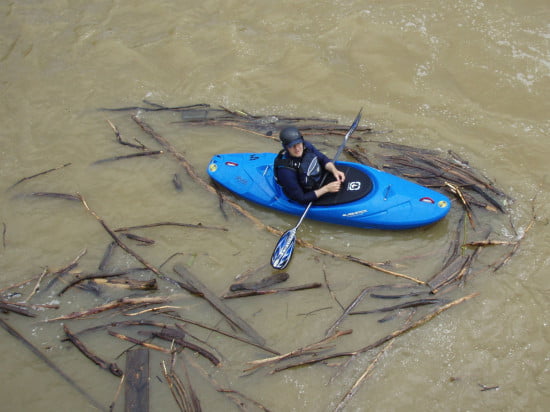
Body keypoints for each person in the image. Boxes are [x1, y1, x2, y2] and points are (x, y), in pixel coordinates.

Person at [274, 126, 346, 204]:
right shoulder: (285, 171)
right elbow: (301, 198)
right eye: (292, 146)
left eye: (298, 143)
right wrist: (326, 189)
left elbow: (323, 159)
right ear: (286, 148)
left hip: (312, 180)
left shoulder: (307, 146)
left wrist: (334, 170)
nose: (297, 148)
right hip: (300, 192)